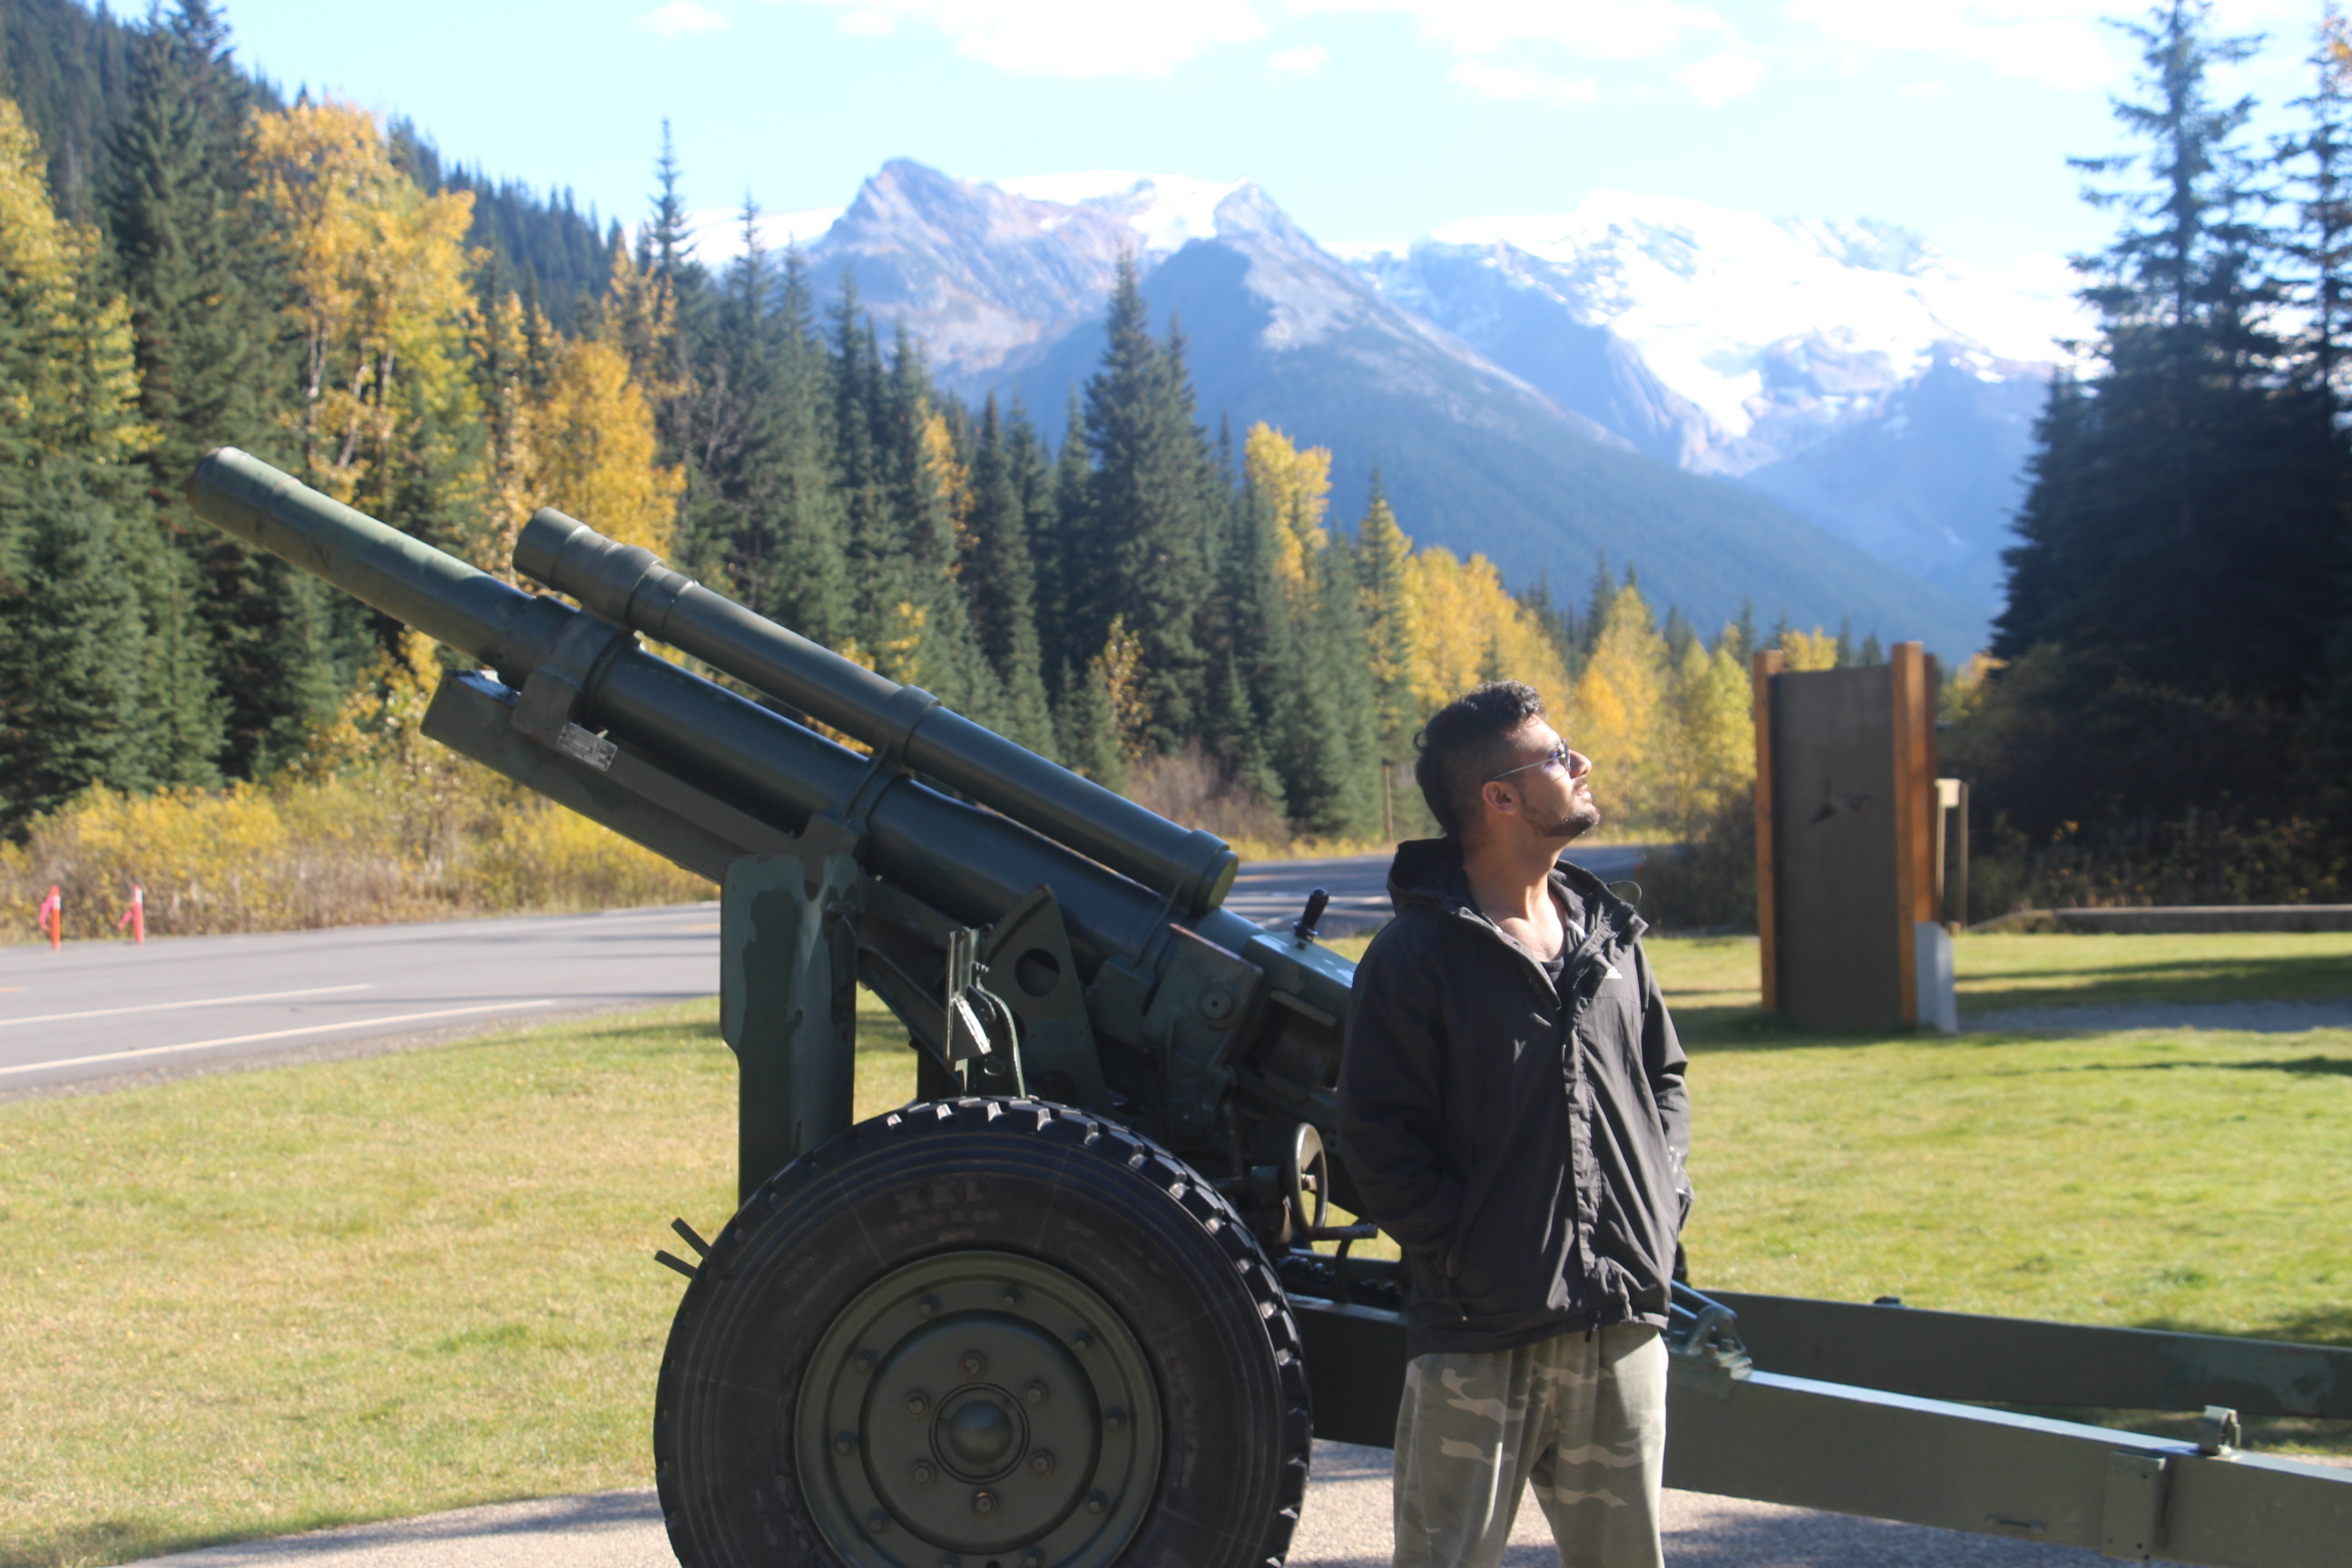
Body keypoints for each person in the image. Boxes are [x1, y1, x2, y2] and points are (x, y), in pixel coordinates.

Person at [1338, 680, 1690, 1568]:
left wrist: (1662, 1203)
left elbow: (1664, 1080)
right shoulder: (1415, 958)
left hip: (1620, 1323)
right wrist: (1472, 1257)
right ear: (1499, 798)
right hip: (1479, 1343)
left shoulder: (1611, 938)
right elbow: (1377, 1141)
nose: (1582, 765)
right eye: (1558, 758)